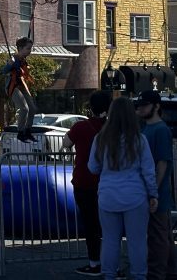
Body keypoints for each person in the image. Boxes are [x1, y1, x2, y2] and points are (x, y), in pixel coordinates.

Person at [88, 97, 158, 280]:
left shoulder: (100, 139)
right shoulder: (139, 139)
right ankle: (139, 275)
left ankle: (109, 275)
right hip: (135, 196)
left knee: (110, 240)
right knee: (137, 242)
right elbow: (148, 170)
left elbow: (93, 167)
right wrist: (153, 194)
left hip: (107, 195)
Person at [60, 90, 111, 277]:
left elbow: (66, 143)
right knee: (110, 226)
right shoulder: (113, 128)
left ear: (91, 107)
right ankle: (112, 263)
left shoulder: (81, 127)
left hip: (84, 181)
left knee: (91, 225)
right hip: (108, 182)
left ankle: (94, 263)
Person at [135, 90, 177, 280]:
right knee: (163, 235)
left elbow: (162, 163)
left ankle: (157, 274)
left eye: (144, 105)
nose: (140, 108)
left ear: (156, 106)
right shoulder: (147, 128)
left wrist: (153, 191)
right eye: (139, 105)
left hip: (156, 192)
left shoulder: (160, 130)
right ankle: (170, 272)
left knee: (158, 236)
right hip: (154, 191)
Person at [3, 36, 37, 142]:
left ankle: (27, 131)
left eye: (30, 48)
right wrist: (9, 65)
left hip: (21, 85)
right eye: (28, 48)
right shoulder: (13, 59)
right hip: (12, 86)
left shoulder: (23, 60)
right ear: (20, 49)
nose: (30, 51)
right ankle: (20, 132)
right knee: (24, 108)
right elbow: (4, 71)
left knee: (32, 108)